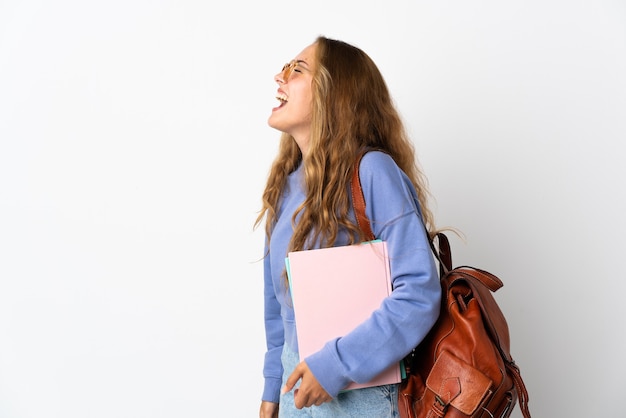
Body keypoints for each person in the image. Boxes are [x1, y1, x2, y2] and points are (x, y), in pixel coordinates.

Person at [255, 36, 442, 418]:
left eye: (297, 69)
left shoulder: (372, 172)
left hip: (364, 394)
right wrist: (272, 389)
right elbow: (277, 308)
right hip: (297, 390)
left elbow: (419, 293)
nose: (280, 76)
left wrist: (334, 366)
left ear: (333, 93)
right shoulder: (283, 186)